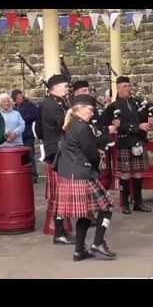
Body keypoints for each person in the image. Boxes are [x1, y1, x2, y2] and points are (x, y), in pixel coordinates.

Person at [55, 94, 116, 261]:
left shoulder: (70, 124)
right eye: (90, 110)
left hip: (71, 174)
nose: (92, 113)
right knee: (107, 207)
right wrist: (100, 156)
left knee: (85, 213)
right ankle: (97, 244)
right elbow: (91, 153)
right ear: (79, 109)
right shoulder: (81, 127)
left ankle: (79, 251)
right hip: (82, 174)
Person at [102, 76, 153, 214]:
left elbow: (148, 116)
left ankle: (138, 203)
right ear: (118, 88)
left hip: (139, 141)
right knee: (125, 174)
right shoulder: (113, 107)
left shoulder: (138, 103)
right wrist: (138, 126)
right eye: (124, 86)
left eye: (128, 86)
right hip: (125, 143)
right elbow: (112, 125)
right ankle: (125, 204)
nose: (128, 88)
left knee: (138, 173)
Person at [41, 74, 75, 245]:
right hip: (57, 153)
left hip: (59, 151)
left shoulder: (56, 103)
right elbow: (65, 125)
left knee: (62, 195)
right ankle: (59, 233)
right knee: (60, 195)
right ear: (54, 88)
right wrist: (73, 112)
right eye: (64, 86)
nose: (67, 89)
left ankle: (61, 232)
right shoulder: (51, 104)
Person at [11, 89, 40, 182]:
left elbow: (35, 115)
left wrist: (22, 120)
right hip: (17, 137)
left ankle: (33, 176)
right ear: (15, 98)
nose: (21, 98)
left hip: (27, 134)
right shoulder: (14, 108)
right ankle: (23, 175)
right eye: (18, 97)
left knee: (30, 156)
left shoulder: (29, 105)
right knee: (20, 157)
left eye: (21, 96)